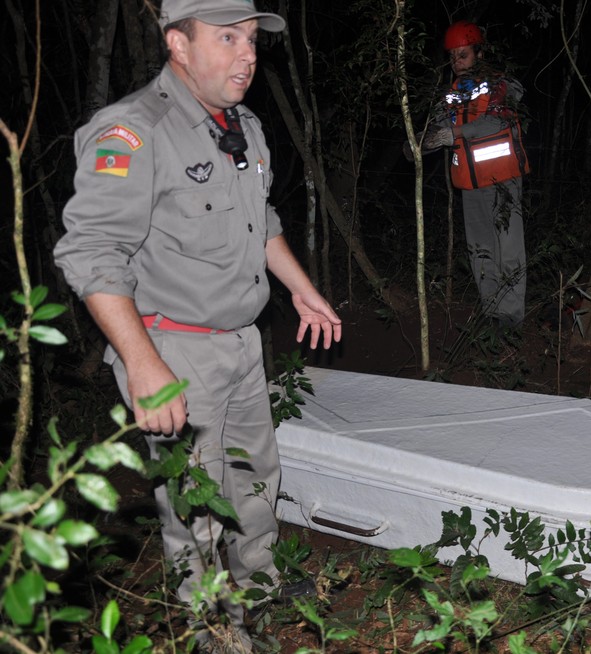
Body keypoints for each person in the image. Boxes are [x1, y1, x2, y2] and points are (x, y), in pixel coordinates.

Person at [53, 0, 342, 648]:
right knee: (194, 506)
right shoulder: (132, 131)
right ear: (177, 43)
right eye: (229, 38)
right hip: (173, 350)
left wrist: (300, 289)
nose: (248, 54)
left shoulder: (245, 125)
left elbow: (260, 221)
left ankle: (259, 589)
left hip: (242, 342)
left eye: (253, 40)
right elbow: (90, 253)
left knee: (254, 477)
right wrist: (142, 362)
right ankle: (212, 626)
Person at [415, 20, 531, 329]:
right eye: (452, 56)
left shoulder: (501, 85)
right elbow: (436, 133)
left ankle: (511, 318)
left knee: (508, 250)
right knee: (480, 252)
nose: (456, 62)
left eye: (463, 54)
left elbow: (497, 122)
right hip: (469, 184)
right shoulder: (449, 95)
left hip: (503, 180)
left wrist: (453, 133)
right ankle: (492, 314)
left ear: (479, 54)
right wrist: (418, 143)